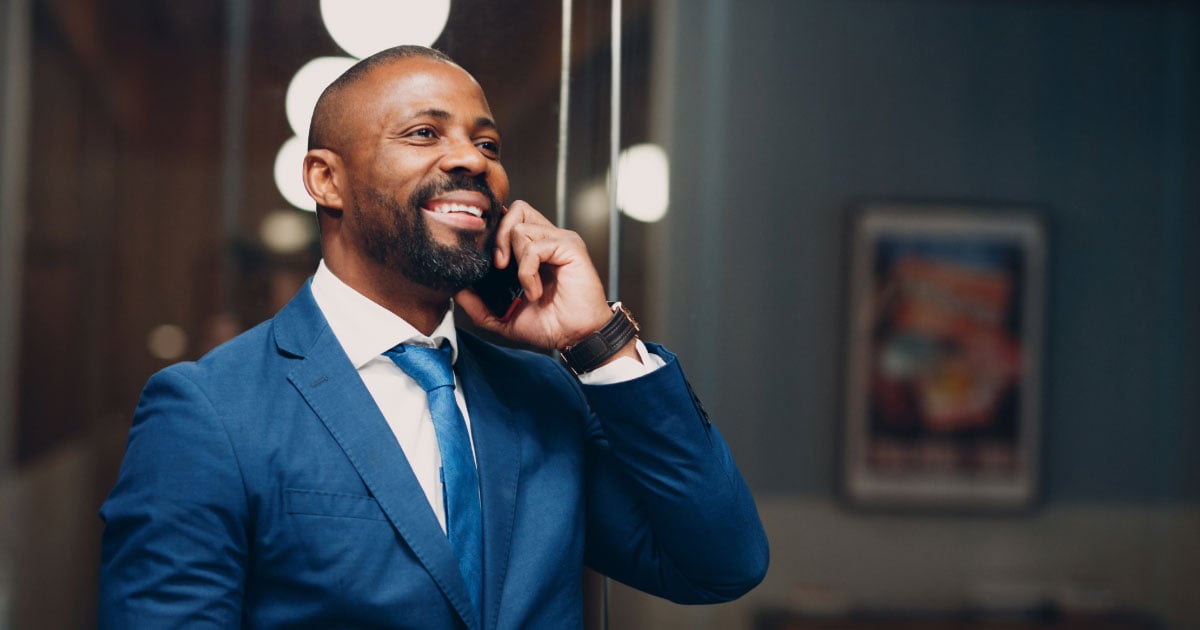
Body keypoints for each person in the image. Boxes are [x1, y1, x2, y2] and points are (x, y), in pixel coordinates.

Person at [99, 45, 768, 629]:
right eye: (424, 133)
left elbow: (720, 565)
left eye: (487, 144)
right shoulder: (208, 412)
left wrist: (600, 342)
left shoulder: (542, 398)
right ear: (326, 180)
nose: (471, 161)